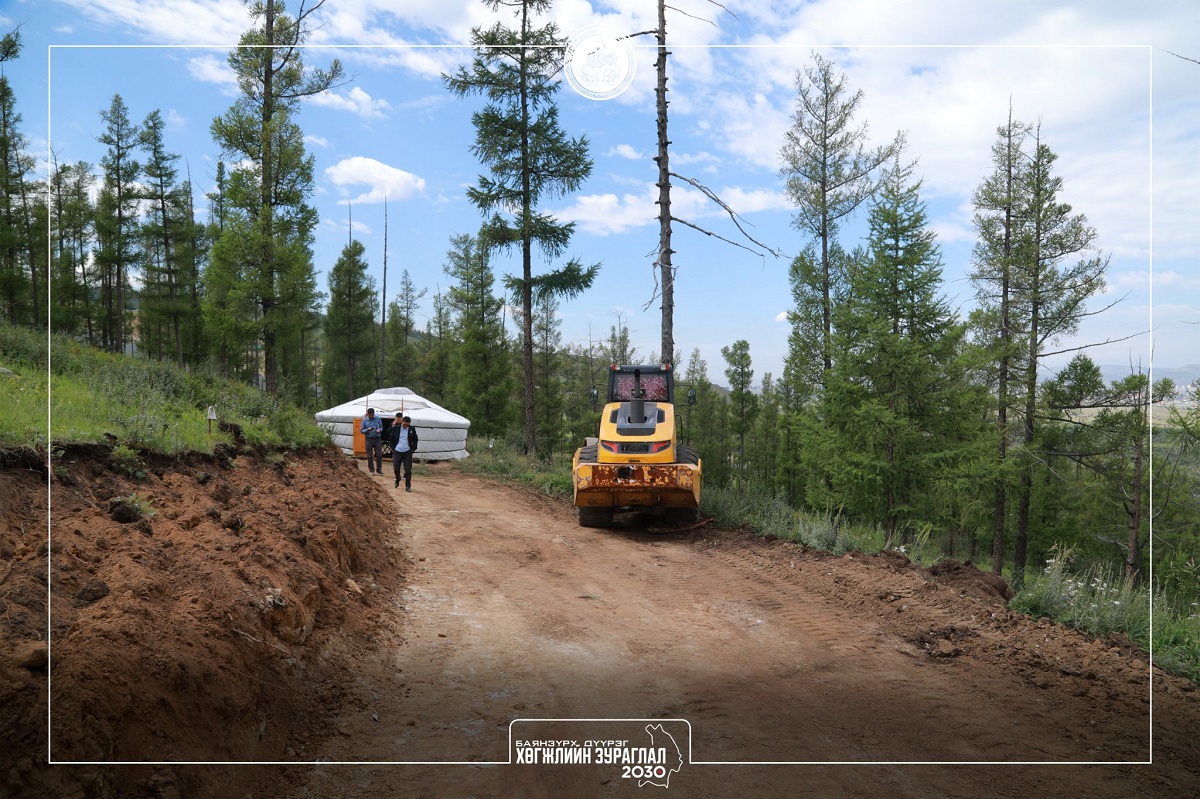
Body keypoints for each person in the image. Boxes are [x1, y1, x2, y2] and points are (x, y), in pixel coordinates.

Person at [389, 413, 419, 491]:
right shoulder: (396, 429)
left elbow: (415, 439)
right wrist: (393, 448)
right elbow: (390, 439)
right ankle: (398, 478)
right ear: (402, 422)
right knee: (396, 468)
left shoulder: (412, 429)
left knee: (408, 470)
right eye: (404, 424)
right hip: (397, 451)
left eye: (407, 425)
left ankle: (408, 485)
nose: (405, 426)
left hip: (407, 452)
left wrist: (413, 449)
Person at [361, 408, 384, 475]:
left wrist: (379, 430)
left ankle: (379, 469)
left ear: (374, 414)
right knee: (369, 455)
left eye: (372, 415)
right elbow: (362, 430)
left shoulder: (378, 419)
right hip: (368, 439)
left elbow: (381, 427)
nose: (371, 416)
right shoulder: (364, 420)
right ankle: (371, 470)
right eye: (370, 415)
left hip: (377, 438)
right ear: (368, 414)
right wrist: (368, 429)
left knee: (379, 455)